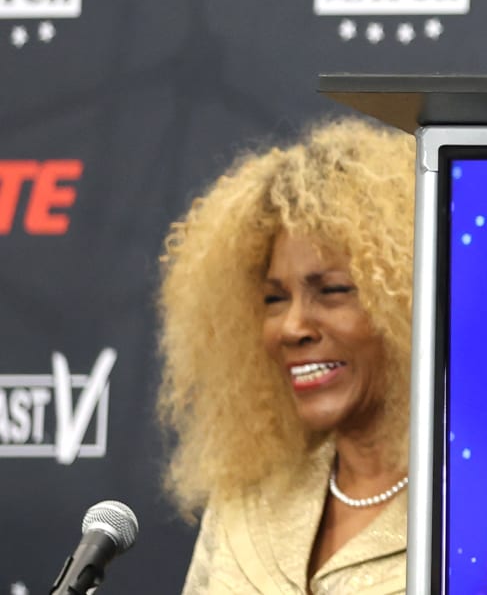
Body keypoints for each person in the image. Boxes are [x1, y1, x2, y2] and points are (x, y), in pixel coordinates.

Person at [157, 117, 415, 595]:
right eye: (274, 299)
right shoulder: (244, 502)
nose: (293, 327)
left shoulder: (475, 513)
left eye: (332, 291)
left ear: (408, 304)